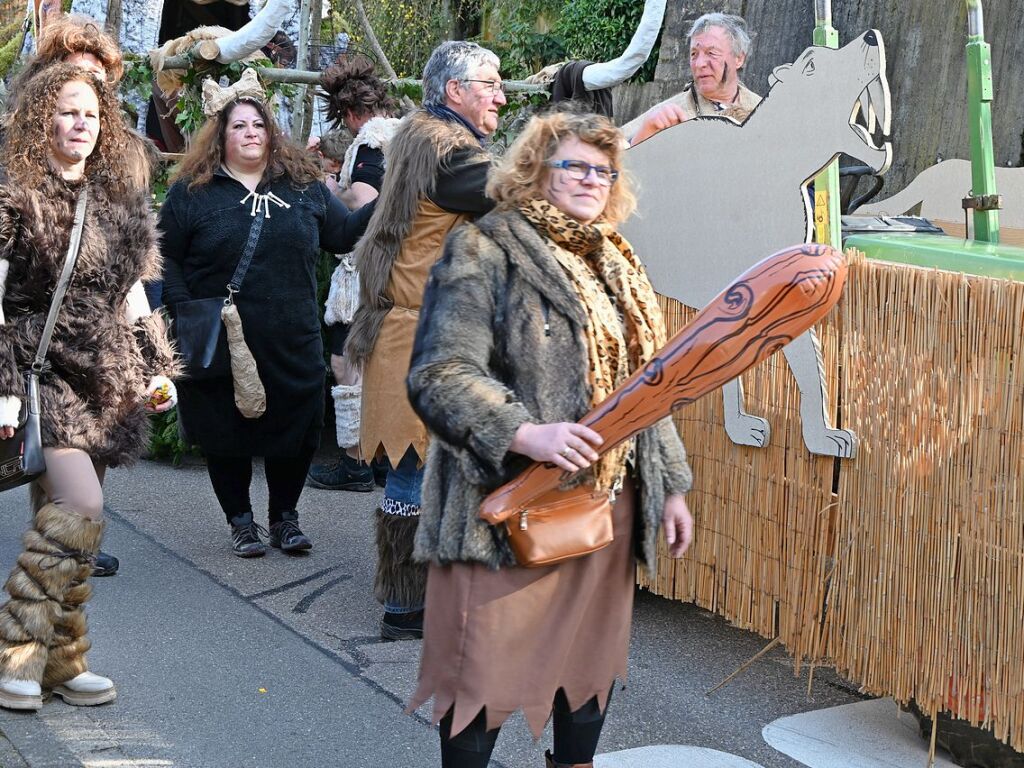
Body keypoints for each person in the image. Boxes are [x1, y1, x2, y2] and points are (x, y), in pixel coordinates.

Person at [405, 108, 694, 767]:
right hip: (511, 508)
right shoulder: (484, 247)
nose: (592, 179)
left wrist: (672, 485)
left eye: (604, 170)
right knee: (481, 678)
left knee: (585, 672)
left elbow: (646, 386)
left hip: (603, 506)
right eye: (575, 166)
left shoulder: (615, 257)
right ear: (536, 168)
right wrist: (523, 432)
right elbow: (438, 373)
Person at [0, 64, 178, 711]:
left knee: (64, 519)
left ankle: (61, 658)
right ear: (41, 116)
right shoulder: (17, 195)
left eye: (92, 115)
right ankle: (16, 651)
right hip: (37, 373)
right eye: (69, 111)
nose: (81, 124)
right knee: (83, 508)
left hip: (101, 376)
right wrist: (3, 385)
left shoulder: (112, 204)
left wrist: (155, 365)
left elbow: (132, 293)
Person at [160, 75, 374, 558]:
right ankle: (241, 521)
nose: (251, 132)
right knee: (224, 429)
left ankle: (284, 519)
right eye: (239, 125)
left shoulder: (303, 189)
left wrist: (387, 196)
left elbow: (341, 237)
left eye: (259, 123)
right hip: (217, 333)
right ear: (222, 135)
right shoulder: (193, 194)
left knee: (296, 426)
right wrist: (183, 305)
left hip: (290, 334)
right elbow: (163, 255)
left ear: (272, 132)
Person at [345, 40, 504, 641]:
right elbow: (520, 186)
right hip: (422, 333)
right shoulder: (447, 152)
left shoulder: (425, 139)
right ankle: (411, 606)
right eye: (488, 83)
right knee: (419, 468)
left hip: (418, 328)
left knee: (424, 468)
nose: (500, 95)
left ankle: (414, 600)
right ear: (454, 92)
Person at [307, 55, 401, 493]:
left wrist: (329, 188)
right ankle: (381, 457)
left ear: (347, 112)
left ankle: (354, 461)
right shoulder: (402, 134)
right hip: (394, 268)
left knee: (346, 362)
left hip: (363, 272)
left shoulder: (369, 144)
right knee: (377, 363)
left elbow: (364, 200)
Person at [628, 12, 762, 144]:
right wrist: (644, 135)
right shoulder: (668, 116)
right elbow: (616, 153)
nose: (699, 64)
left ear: (738, 58)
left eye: (711, 53)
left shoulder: (763, 110)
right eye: (694, 54)